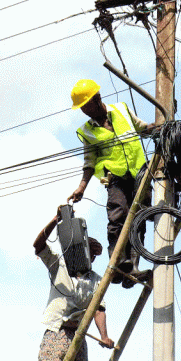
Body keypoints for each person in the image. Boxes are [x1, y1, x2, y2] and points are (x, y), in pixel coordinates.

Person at [67, 79, 154, 288]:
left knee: (139, 221)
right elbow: (90, 162)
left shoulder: (121, 109)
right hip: (115, 178)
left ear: (97, 99)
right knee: (118, 216)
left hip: (140, 173)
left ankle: (131, 268)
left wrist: (161, 127)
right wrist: (81, 187)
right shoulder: (88, 131)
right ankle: (116, 264)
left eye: (86, 106)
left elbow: (142, 128)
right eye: (82, 108)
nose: (85, 112)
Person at [33, 208, 114, 361]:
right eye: (90, 251)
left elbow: (98, 309)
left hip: (78, 335)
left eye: (95, 254)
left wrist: (104, 336)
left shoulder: (96, 280)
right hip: (57, 330)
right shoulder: (59, 265)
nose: (93, 257)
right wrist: (54, 221)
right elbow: (38, 245)